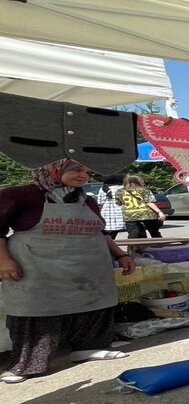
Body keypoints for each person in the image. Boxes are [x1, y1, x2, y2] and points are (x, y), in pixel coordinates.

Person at [0, 159, 135, 384]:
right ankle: (25, 364)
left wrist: (121, 255)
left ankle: (90, 347)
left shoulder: (87, 201)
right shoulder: (21, 195)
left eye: (88, 171)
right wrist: (4, 260)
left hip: (88, 266)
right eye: (77, 169)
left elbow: (101, 233)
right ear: (53, 168)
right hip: (37, 267)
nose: (84, 176)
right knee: (37, 312)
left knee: (94, 305)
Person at [99, 173, 125, 239]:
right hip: (121, 214)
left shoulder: (103, 189)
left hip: (107, 214)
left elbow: (100, 202)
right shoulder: (124, 188)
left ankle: (109, 247)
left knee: (109, 235)